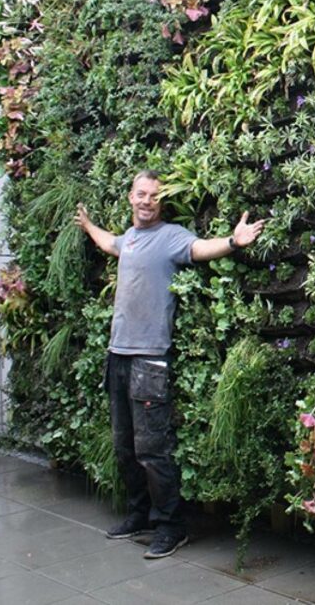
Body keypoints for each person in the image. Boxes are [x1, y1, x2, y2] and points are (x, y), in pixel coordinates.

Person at [74, 169, 264, 558]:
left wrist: (233, 240)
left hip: (149, 359)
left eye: (154, 196)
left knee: (152, 450)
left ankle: (172, 526)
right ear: (130, 196)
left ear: (161, 202)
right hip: (118, 356)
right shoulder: (129, 240)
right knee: (124, 447)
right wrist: (89, 225)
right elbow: (109, 242)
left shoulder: (170, 236)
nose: (146, 201)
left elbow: (200, 249)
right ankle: (139, 514)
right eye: (141, 194)